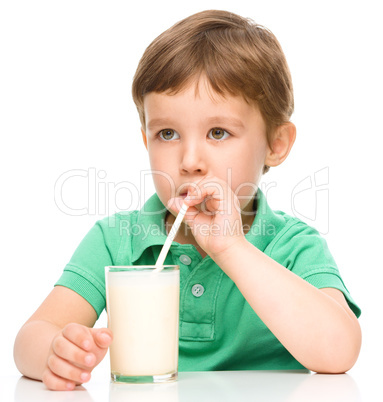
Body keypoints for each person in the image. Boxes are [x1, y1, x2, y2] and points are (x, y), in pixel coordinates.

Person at [14, 10, 361, 391]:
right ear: (146, 140)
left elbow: (338, 351)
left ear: (275, 145)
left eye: (218, 132)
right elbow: (30, 338)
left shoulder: (293, 247)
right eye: (167, 134)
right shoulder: (116, 240)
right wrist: (55, 351)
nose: (190, 162)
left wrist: (231, 248)